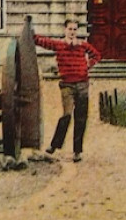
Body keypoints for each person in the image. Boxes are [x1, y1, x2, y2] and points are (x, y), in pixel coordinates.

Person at [35, 18, 101, 162]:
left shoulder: (83, 45)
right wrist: (31, 35)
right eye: (70, 29)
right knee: (66, 114)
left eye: (74, 29)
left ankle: (77, 151)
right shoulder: (59, 45)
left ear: (77, 31)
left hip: (82, 84)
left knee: (81, 117)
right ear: (65, 30)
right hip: (67, 85)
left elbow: (96, 55)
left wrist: (87, 66)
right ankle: (54, 145)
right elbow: (43, 42)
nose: (72, 32)